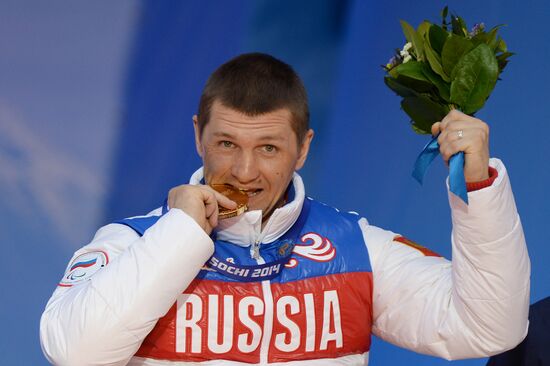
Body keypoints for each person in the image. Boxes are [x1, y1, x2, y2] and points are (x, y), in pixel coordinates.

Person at [40, 53, 530, 365]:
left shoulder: (355, 248)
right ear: (198, 137)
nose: (245, 170)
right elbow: (73, 353)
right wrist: (181, 234)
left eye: (269, 149)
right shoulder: (133, 242)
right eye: (227, 143)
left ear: (302, 149)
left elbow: (489, 329)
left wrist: (478, 186)